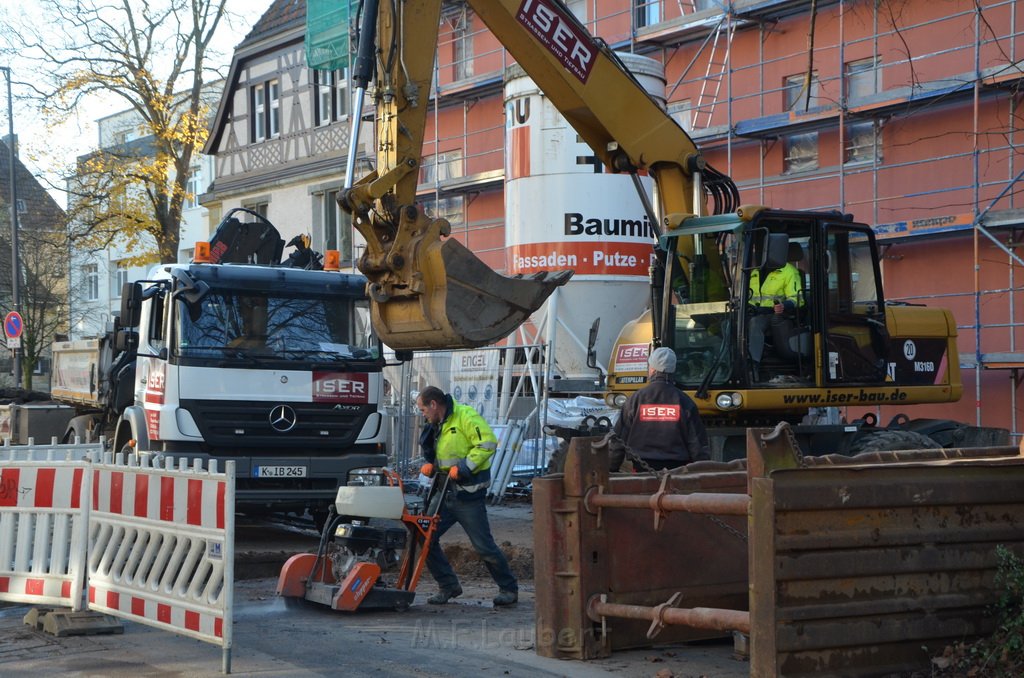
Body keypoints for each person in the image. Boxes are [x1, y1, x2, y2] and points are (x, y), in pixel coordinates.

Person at [416, 386, 519, 607]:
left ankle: (508, 589)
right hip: (443, 492)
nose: (422, 413)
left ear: (434, 404)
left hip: (467, 495)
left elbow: (487, 443)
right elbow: (441, 453)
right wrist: (431, 466)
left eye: (423, 409)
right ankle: (448, 586)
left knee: (483, 547)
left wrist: (464, 468)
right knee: (424, 537)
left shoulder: (465, 415)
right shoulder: (436, 424)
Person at [610, 347, 710, 471]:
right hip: (677, 471)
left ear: (652, 369)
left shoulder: (636, 399)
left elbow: (618, 439)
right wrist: (703, 473)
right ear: (673, 370)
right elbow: (697, 444)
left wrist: (611, 469)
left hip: (642, 470)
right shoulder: (684, 401)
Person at [747, 252, 804, 374]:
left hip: (773, 314)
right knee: (728, 322)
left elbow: (797, 299)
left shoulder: (788, 271)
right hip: (753, 311)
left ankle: (752, 366)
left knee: (755, 324)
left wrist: (784, 306)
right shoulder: (755, 272)